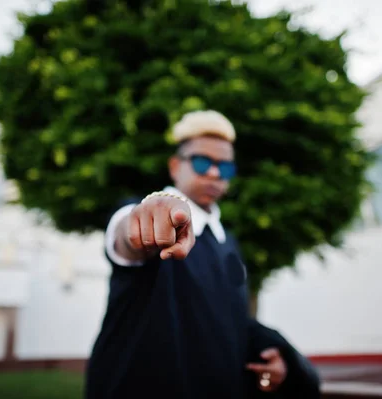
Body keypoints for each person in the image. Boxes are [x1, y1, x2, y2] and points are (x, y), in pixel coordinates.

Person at [86, 110, 320, 399]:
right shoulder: (152, 215)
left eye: (225, 167)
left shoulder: (228, 243)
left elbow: (232, 320)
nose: (213, 173)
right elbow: (128, 236)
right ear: (175, 167)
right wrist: (146, 217)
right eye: (201, 162)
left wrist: (277, 357)